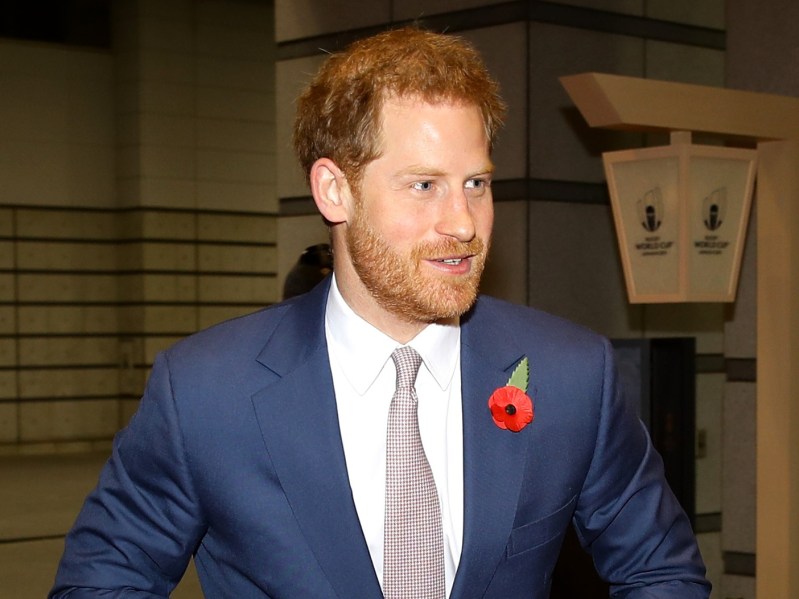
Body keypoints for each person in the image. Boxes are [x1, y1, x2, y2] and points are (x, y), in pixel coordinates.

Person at [50, 27, 710, 598]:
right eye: (424, 185)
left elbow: (662, 571)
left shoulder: (570, 375)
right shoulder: (203, 391)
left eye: (475, 183)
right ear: (335, 190)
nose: (462, 223)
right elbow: (100, 580)